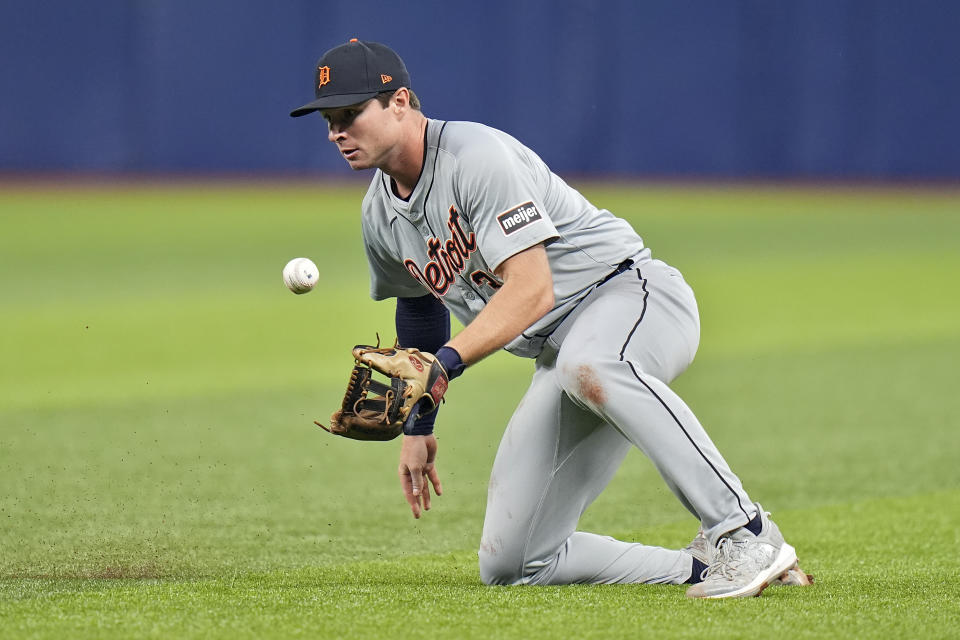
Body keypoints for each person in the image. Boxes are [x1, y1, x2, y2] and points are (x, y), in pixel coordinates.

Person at [290, 39, 811, 597]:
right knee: (512, 564)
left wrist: (445, 366)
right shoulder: (379, 213)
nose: (336, 131)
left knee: (592, 364)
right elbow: (419, 303)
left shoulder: (475, 157)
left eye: (350, 114)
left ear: (401, 101)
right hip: (562, 355)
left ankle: (745, 533)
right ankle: (701, 567)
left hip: (632, 296)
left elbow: (532, 291)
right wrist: (418, 425)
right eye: (329, 119)